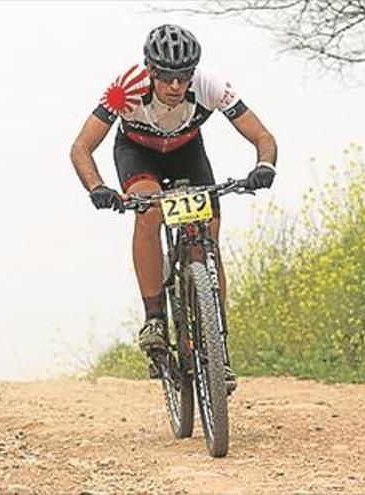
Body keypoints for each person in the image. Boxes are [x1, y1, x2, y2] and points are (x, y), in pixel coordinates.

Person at [69, 24, 277, 387]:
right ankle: (154, 319)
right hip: (138, 154)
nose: (175, 87)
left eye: (183, 77)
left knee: (207, 238)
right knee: (148, 213)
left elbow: (263, 137)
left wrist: (264, 165)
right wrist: (97, 187)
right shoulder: (124, 89)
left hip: (187, 154)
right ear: (150, 70)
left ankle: (216, 346)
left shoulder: (210, 85)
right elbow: (81, 148)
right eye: (166, 77)